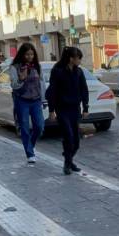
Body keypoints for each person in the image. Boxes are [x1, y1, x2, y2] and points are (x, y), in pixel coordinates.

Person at [46, 46, 89, 175]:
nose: (80, 61)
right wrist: (51, 110)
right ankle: (67, 164)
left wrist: (85, 107)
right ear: (71, 59)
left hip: (75, 109)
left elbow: (84, 90)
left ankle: (69, 160)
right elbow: (52, 91)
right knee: (68, 137)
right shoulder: (57, 71)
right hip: (62, 109)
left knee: (76, 141)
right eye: (78, 58)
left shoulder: (79, 72)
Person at [6, 42, 44, 165]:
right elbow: (14, 85)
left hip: (36, 100)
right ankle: (30, 153)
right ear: (22, 54)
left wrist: (43, 99)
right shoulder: (14, 67)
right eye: (27, 54)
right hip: (22, 100)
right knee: (24, 127)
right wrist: (21, 79)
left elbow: (41, 83)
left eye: (32, 54)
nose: (29, 57)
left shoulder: (37, 66)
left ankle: (30, 145)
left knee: (39, 126)